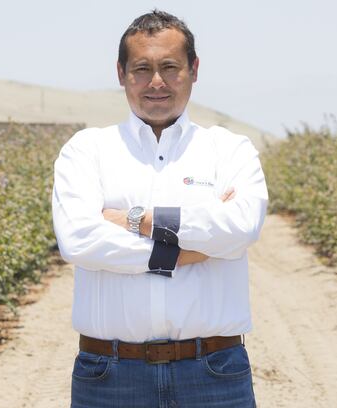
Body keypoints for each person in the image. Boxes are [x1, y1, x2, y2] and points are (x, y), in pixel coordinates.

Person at [52, 9, 267, 408]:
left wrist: (135, 220)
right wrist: (183, 252)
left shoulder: (230, 150)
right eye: (141, 68)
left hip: (214, 372)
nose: (156, 82)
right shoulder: (87, 150)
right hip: (109, 377)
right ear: (121, 73)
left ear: (194, 69)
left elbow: (239, 228)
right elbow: (79, 240)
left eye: (169, 67)